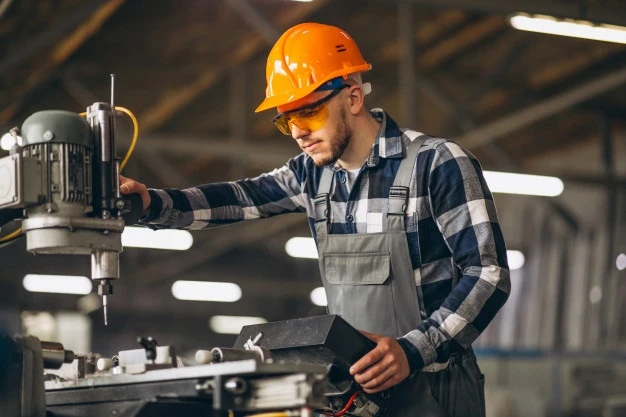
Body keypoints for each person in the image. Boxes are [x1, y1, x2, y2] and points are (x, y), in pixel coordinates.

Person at [121, 22, 510, 417]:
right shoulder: (311, 174)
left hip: (436, 391)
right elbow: (239, 197)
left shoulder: (436, 163)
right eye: (286, 120)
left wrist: (413, 350)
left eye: (308, 113)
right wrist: (152, 203)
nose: (298, 133)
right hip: (354, 397)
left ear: (354, 97)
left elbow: (488, 274)